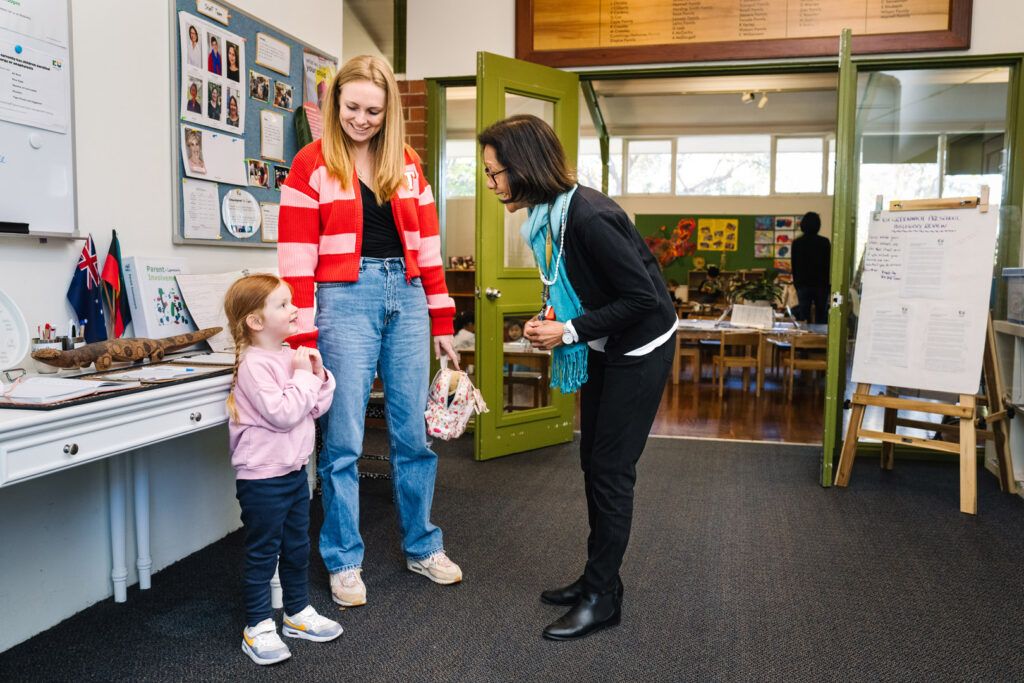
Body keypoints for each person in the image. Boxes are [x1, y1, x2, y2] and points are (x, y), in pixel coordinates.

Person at [478, 115, 676, 641]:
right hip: (605, 341)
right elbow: (577, 284)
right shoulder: (549, 214)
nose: (493, 184)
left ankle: (602, 598)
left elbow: (642, 300)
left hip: (641, 344)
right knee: (593, 461)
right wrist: (552, 318)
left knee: (611, 470)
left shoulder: (589, 215)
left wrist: (566, 331)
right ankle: (597, 578)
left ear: (523, 168)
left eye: (496, 173)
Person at [278, 54, 462, 609]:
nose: (362, 119)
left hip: (405, 296)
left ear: (390, 112)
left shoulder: (406, 163)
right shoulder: (310, 163)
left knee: (413, 436)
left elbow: (428, 248)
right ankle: (343, 560)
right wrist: (301, 339)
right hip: (343, 298)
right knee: (343, 440)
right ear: (335, 102)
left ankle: (422, 546)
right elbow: (295, 260)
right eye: (352, 107)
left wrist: (443, 317)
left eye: (374, 111)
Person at [223, 273, 343, 666]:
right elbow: (284, 413)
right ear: (255, 322)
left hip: (293, 472)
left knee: (296, 546)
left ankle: (296, 613)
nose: (294, 310)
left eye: (292, 302)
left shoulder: (288, 355)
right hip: (262, 478)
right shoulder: (254, 366)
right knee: (263, 553)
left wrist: (318, 374)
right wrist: (304, 378)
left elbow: (313, 407)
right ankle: (257, 626)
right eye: (283, 305)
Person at [791, 211, 831, 324]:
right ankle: (820, 339)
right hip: (821, 285)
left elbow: (794, 265)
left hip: (803, 284)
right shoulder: (824, 242)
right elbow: (828, 265)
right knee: (821, 315)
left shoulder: (797, 243)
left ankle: (805, 339)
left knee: (804, 315)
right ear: (818, 225)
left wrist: (797, 283)